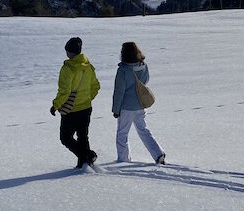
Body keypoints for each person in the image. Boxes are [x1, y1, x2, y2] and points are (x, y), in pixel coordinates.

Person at [112, 41, 165, 165]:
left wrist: (116, 109)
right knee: (143, 130)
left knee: (122, 134)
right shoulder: (143, 65)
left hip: (126, 107)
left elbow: (119, 91)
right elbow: (146, 80)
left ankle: (123, 159)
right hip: (141, 104)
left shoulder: (123, 70)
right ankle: (158, 153)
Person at [51, 37, 100, 168]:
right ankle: (84, 164)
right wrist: (87, 99)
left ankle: (86, 157)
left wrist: (55, 105)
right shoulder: (88, 67)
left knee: (65, 138)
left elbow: (65, 91)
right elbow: (96, 86)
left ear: (69, 51)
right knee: (83, 136)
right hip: (86, 107)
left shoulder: (68, 68)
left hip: (71, 109)